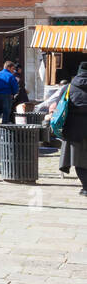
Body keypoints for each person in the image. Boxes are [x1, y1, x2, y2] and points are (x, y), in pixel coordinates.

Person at [59, 62, 87, 196]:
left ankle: (86, 187)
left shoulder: (69, 87)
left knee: (78, 159)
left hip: (74, 129)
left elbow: (60, 106)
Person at [0, 61, 18, 126]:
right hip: (7, 95)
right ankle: (4, 125)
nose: (13, 70)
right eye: (12, 68)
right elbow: (15, 87)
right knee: (6, 111)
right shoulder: (11, 76)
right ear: (8, 68)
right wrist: (14, 93)